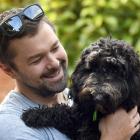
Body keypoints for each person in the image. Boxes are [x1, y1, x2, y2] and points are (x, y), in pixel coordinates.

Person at [0, 3, 139, 140]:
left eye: (54, 48)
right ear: (8, 70)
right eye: (36, 60)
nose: (54, 63)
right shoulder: (12, 127)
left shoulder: (74, 99)